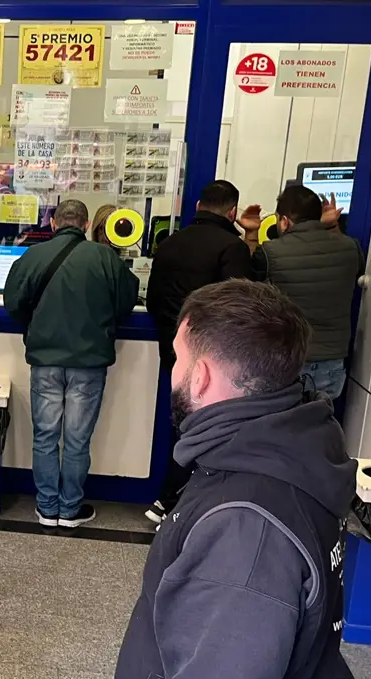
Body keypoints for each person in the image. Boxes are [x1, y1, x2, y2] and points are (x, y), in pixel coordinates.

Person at [110, 279, 355, 679]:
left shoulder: (246, 530)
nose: (174, 371)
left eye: (179, 358)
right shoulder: (285, 452)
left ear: (200, 376)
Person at [3, 199, 140, 528]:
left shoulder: (33, 256)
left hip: (45, 360)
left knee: (45, 437)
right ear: (87, 224)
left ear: (53, 224)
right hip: (89, 362)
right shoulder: (105, 257)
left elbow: (13, 303)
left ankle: (47, 508)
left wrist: (35, 327)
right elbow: (127, 300)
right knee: (77, 439)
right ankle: (70, 508)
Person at [143, 180, 258, 524]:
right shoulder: (231, 248)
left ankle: (171, 501)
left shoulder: (169, 244)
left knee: (181, 424)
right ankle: (178, 503)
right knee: (212, 430)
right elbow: (240, 307)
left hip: (175, 354)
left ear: (196, 207)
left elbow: (153, 301)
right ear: (233, 212)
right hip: (215, 357)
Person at [252, 186, 364, 399]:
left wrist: (250, 235)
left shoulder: (270, 253)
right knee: (318, 424)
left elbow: (246, 285)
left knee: (279, 425)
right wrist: (332, 227)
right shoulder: (351, 248)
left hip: (286, 360)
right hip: (332, 361)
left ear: (284, 220)